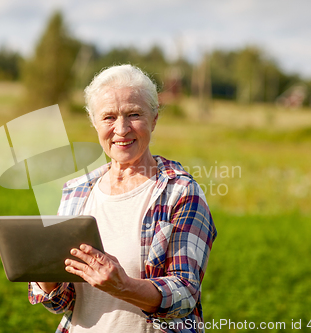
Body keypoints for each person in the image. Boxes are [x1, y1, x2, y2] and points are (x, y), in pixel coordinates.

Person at [28, 64, 217, 333]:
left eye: (134, 114)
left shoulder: (180, 192)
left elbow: (185, 296)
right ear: (94, 122)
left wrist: (122, 285)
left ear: (154, 118)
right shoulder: (77, 191)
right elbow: (63, 302)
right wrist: (44, 275)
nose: (121, 129)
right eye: (108, 117)